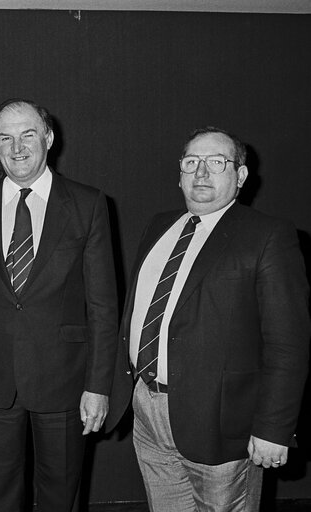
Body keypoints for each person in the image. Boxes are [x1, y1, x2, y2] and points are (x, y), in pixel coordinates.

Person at [106, 127, 310, 511]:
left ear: (241, 176)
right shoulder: (159, 226)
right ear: (179, 173)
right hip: (148, 408)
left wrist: (273, 428)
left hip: (221, 421)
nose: (201, 173)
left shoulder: (268, 236)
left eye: (217, 162)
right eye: (191, 162)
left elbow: (288, 343)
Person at [0, 98, 118, 511]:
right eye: (5, 137)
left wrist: (98, 385)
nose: (17, 147)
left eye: (28, 135)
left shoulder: (88, 205)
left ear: (49, 138)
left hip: (66, 381)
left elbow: (104, 306)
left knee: (60, 496)